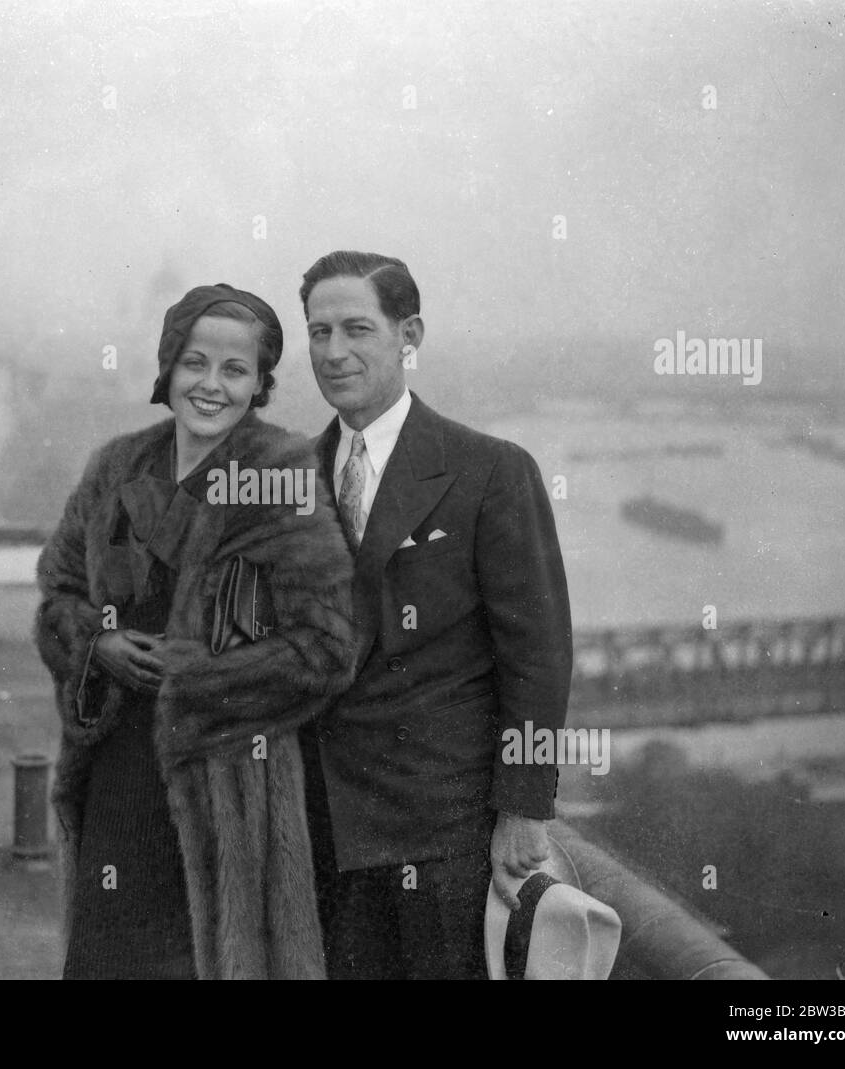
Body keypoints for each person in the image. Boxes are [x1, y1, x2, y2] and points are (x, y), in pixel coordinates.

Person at [35, 283, 357, 980]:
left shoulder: (282, 474)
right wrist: (97, 642)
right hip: (119, 774)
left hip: (228, 789)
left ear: (260, 385)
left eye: (234, 370)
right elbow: (56, 595)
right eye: (194, 363)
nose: (210, 385)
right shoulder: (115, 467)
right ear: (167, 366)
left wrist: (191, 672)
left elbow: (326, 649)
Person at [297, 251, 574, 980]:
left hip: (446, 825)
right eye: (318, 332)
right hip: (327, 823)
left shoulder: (489, 469)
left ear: (408, 334)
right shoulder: (293, 478)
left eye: (357, 328)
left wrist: (523, 806)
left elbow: (538, 654)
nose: (334, 351)